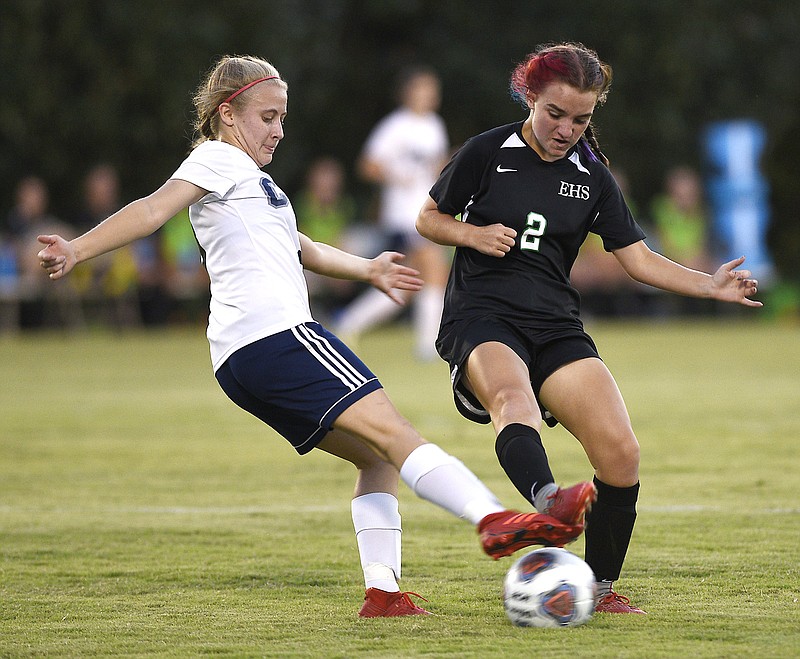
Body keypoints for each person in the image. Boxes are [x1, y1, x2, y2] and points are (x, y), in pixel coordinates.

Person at [37, 54, 587, 618]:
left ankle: (384, 594)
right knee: (397, 433)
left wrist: (369, 268)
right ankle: (494, 519)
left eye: (283, 118)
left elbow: (305, 249)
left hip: (240, 361)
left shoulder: (251, 182)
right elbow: (152, 210)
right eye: (269, 117)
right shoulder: (216, 159)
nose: (279, 130)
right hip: (278, 337)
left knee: (377, 459)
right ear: (228, 114)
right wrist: (78, 249)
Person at [416, 42, 762, 615]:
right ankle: (550, 503)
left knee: (621, 453)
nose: (566, 129)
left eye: (581, 118)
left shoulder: (592, 178)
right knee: (511, 396)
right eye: (555, 113)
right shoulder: (486, 151)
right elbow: (428, 218)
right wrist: (473, 235)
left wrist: (710, 285)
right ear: (530, 97)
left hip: (554, 323)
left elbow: (639, 259)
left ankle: (598, 588)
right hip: (481, 316)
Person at [335, 67, 451, 360]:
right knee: (434, 267)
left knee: (409, 280)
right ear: (409, 92)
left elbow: (436, 167)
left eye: (432, 89)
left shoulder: (434, 125)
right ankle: (429, 344)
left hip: (425, 210)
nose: (429, 95)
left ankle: (349, 322)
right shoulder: (396, 126)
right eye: (423, 88)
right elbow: (367, 165)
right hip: (403, 215)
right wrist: (397, 176)